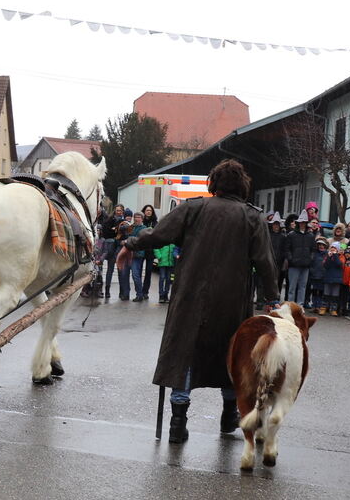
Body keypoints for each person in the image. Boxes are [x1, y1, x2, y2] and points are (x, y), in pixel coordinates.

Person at [116, 159, 279, 444]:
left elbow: (158, 235)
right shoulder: (253, 217)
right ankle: (230, 415)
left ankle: (178, 424)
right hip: (233, 301)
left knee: (185, 355)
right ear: (242, 186)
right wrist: (272, 298)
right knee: (233, 355)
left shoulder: (193, 208)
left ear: (213, 183)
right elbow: (265, 261)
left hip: (190, 298)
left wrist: (130, 244)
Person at [282, 211, 316, 308]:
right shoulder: (291, 235)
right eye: (301, 222)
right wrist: (291, 259)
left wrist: (310, 259)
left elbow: (313, 250)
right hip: (294, 265)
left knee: (303, 287)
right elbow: (287, 249)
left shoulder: (310, 236)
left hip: (306, 265)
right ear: (298, 223)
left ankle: (300, 306)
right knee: (292, 287)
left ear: (306, 224)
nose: (302, 224)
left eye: (304, 222)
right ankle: (290, 306)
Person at [308, 236, 329, 313]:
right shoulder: (314, 254)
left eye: (322, 245)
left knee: (320, 292)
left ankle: (319, 306)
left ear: (326, 246)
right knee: (314, 291)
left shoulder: (327, 254)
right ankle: (314, 305)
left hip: (322, 276)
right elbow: (311, 263)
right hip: (314, 275)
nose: (321, 246)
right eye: (319, 244)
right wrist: (312, 271)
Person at [323, 244, 343, 316]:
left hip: (337, 279)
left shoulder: (340, 256)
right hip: (328, 277)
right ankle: (323, 308)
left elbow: (338, 264)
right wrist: (329, 257)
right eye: (332, 248)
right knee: (326, 293)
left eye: (334, 249)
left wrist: (335, 255)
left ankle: (333, 309)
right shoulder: (328, 256)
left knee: (335, 295)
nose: (333, 250)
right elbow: (325, 265)